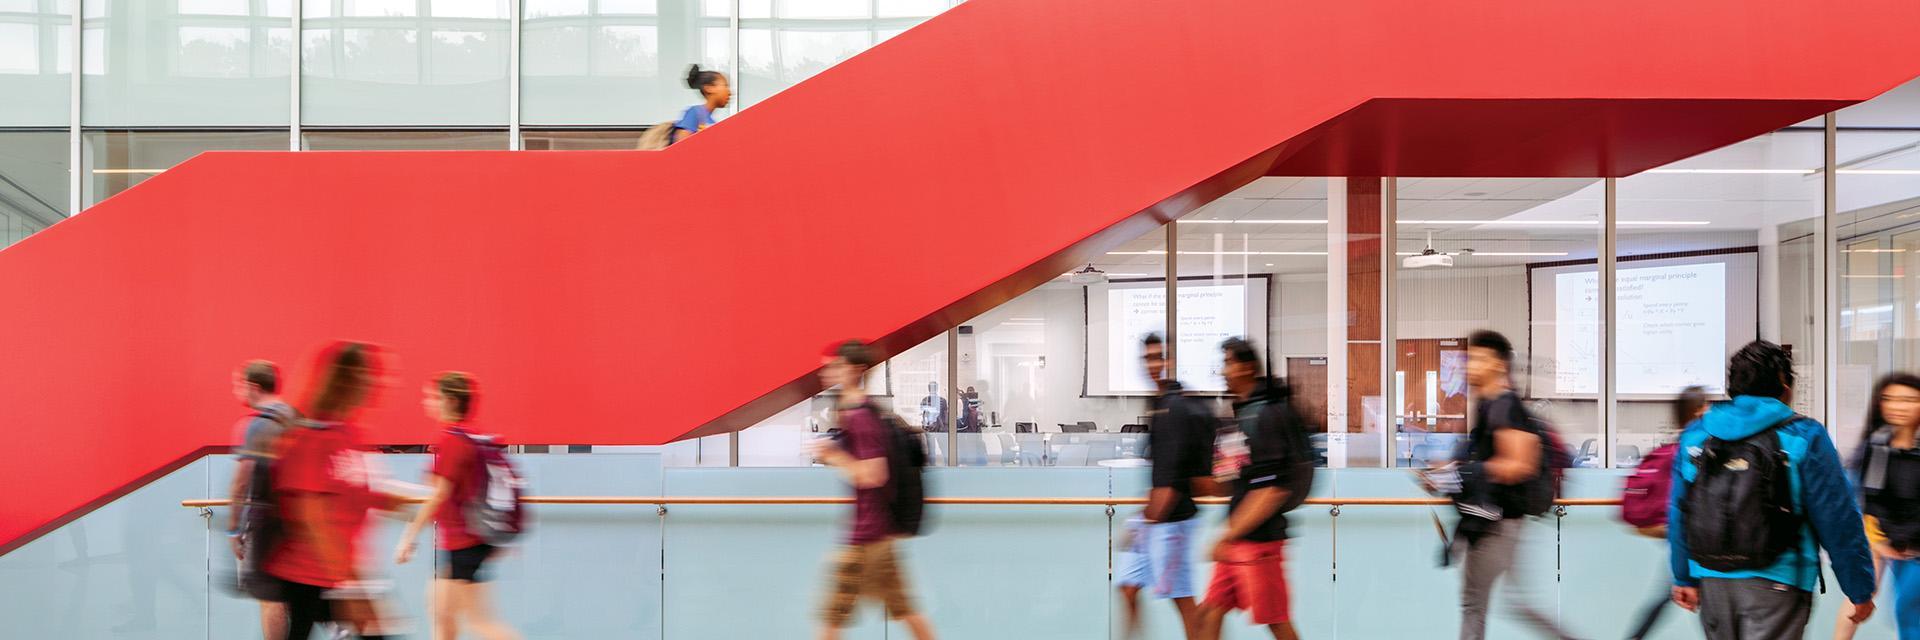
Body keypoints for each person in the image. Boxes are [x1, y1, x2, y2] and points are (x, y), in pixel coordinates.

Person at [1669, 340, 1877, 639]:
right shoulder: (1804, 435)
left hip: (1712, 578)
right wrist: (1859, 588)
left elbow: (1680, 512)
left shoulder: (1697, 435)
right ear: (1785, 384)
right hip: (1780, 581)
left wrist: (1683, 575)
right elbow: (1838, 518)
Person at [263, 342, 405, 640]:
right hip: (309, 573)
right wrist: (349, 583)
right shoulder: (308, 439)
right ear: (345, 381)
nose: (378, 384)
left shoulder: (349, 434)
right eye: (369, 376)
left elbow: (354, 492)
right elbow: (311, 516)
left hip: (339, 569)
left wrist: (392, 500)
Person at [807, 340, 936, 640]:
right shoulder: (856, 411)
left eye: (835, 366)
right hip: (877, 534)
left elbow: (872, 474)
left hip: (866, 538)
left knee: (831, 618)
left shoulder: (861, 417)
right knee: (906, 611)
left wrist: (832, 455)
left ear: (855, 370)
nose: (827, 372)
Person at [1454, 330, 1578, 640]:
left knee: (1475, 605)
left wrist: (1468, 473)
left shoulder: (1504, 405)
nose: (1470, 367)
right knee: (1510, 603)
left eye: (1479, 359)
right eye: (1469, 359)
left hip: (1499, 523)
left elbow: (1520, 463)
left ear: (1498, 365)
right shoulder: (1490, 406)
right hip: (1495, 519)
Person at [1196, 337, 1308, 640]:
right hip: (1239, 540)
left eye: (1228, 363)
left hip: (1260, 543)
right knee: (1209, 613)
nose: (1223, 371)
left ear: (1247, 367)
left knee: (1277, 622)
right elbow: (1229, 482)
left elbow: (1271, 490)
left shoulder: (1267, 415)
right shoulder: (1241, 414)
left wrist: (1228, 535)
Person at [395, 372, 520, 640]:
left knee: (479, 621)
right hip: (466, 541)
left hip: (463, 542)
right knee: (441, 613)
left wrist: (409, 536)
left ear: (450, 400)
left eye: (432, 397)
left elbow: (438, 494)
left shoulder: (452, 440)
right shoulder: (475, 436)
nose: (427, 402)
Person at [1117, 334, 1214, 639]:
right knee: (1129, 586)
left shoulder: (1175, 407)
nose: (1154, 364)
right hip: (1153, 518)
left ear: (1171, 362)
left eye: (1160, 357)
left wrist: (1147, 520)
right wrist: (1143, 518)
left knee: (1182, 599)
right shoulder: (1159, 404)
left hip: (1173, 522)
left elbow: (1171, 480)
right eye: (1148, 358)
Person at [1837, 373, 1920, 639]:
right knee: (1871, 599)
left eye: (1908, 400)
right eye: (1889, 399)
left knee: (1907, 611)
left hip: (1911, 548)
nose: (1897, 406)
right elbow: (1870, 499)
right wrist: (1880, 540)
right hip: (1891, 544)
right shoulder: (1878, 445)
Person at [1623, 386, 1709, 640]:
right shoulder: (1695, 450)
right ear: (1696, 411)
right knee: (1704, 600)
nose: (1709, 410)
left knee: (1670, 595)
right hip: (1694, 539)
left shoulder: (1681, 448)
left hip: (1681, 539)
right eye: (1705, 405)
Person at [228, 360, 296, 639]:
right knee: (292, 595)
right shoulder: (296, 417)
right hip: (296, 521)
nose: (236, 391)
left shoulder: (258, 426)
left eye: (238, 385)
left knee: (271, 598)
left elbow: (242, 481)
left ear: (253, 386)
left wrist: (233, 528)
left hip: (266, 522)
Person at [671, 64, 731, 144]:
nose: (729, 92)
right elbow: (679, 146)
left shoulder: (711, 121)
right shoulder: (694, 112)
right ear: (709, 88)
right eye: (725, 86)